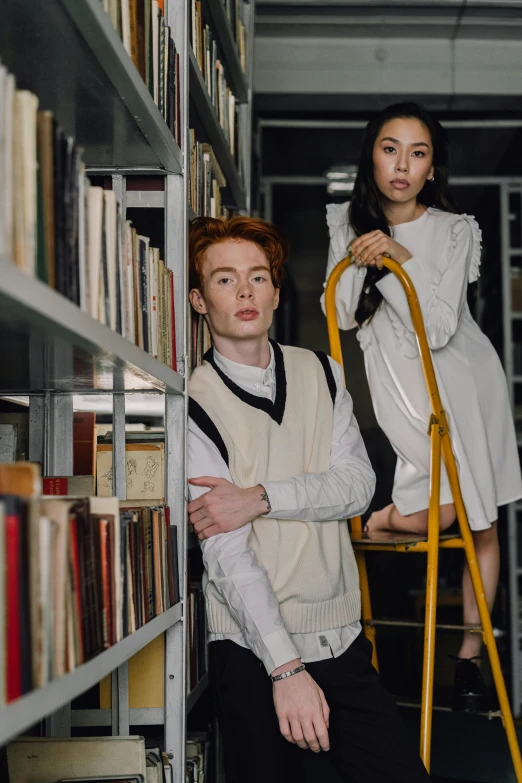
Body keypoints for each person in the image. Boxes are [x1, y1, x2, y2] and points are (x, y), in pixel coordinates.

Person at [186, 215, 430, 783]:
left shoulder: (321, 371)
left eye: (258, 277)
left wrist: (261, 497)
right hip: (251, 652)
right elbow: (227, 555)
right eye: (225, 280)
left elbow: (358, 488)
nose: (245, 292)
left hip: (339, 636)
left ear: (275, 288)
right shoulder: (191, 402)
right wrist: (284, 669)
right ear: (199, 300)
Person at [322, 101, 522, 712]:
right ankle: (385, 519)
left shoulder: (456, 229)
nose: (402, 165)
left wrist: (398, 259)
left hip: (465, 381)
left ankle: (468, 662)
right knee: (448, 514)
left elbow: (438, 329)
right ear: (372, 156)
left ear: (433, 166)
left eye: (418, 152)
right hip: (401, 385)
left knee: (480, 522)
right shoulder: (344, 220)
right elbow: (341, 313)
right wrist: (368, 252)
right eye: (390, 149)